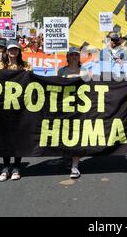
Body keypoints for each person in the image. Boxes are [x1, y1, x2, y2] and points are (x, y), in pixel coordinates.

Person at [0, 40, 32, 182]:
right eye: (11, 50)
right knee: (5, 137)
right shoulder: (1, 65)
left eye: (16, 50)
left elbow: (31, 81)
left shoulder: (26, 66)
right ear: (7, 51)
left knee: (18, 136)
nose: (13, 52)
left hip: (21, 106)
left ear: (19, 52)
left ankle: (16, 166)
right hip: (5, 105)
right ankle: (5, 167)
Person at [57, 47, 89, 179]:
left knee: (77, 134)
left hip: (80, 107)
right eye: (72, 55)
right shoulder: (61, 71)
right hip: (65, 107)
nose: (75, 57)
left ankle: (75, 166)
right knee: (65, 133)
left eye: (77, 55)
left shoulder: (85, 71)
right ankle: (69, 157)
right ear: (68, 57)